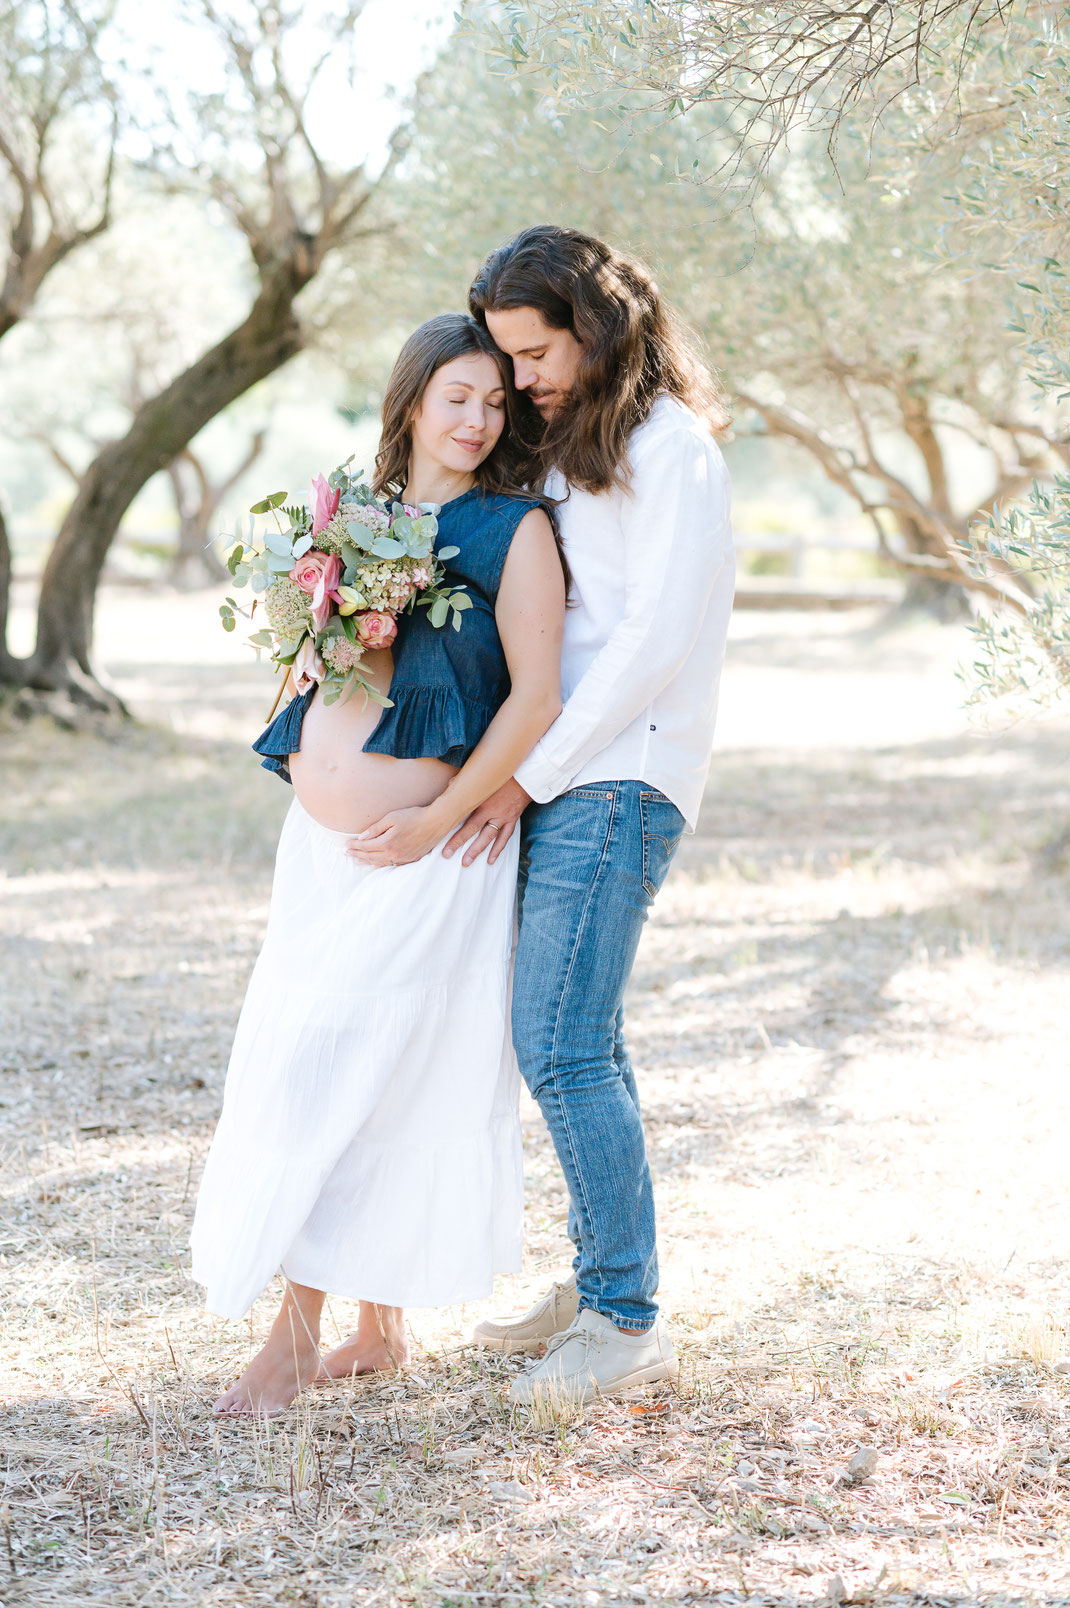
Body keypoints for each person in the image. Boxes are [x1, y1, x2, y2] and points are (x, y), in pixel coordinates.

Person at [190, 313, 565, 1418]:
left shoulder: (515, 529)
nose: (478, 419)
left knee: (358, 1069)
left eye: (495, 402)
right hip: (322, 856)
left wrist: (439, 813)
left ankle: (295, 1339)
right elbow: (317, 661)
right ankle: (377, 1329)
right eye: (458, 396)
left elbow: (538, 699)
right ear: (409, 400)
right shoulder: (348, 517)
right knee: (336, 1056)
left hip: (433, 851)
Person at [443, 224, 735, 1405]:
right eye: (504, 358)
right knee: (578, 1040)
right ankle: (602, 1274)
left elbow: (652, 645)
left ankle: (622, 1322)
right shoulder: (580, 448)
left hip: (620, 775)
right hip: (572, 769)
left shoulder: (672, 449)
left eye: (535, 350)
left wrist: (530, 771)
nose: (521, 379)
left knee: (558, 1045)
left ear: (596, 322)